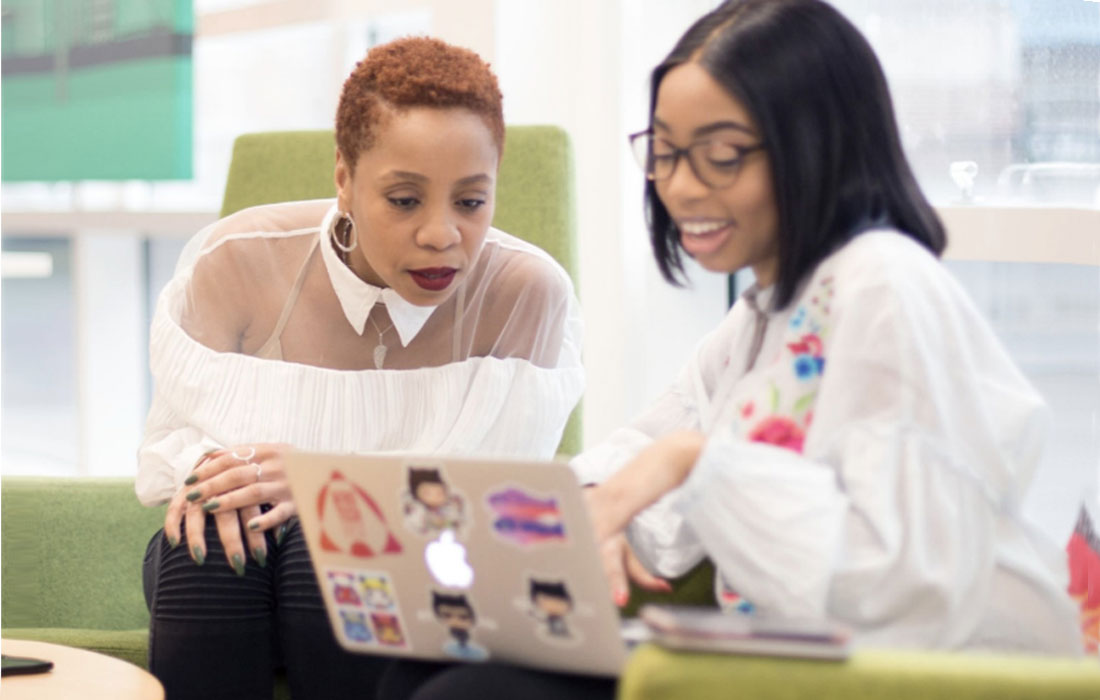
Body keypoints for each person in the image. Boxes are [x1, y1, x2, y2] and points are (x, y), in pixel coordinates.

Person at [378, 1, 1081, 698]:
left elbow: (899, 586)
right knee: (428, 656)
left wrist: (694, 464)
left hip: (923, 675)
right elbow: (642, 457)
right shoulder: (762, 316)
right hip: (787, 662)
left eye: (720, 156)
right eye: (664, 154)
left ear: (817, 146)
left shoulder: (884, 287)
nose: (681, 187)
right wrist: (600, 512)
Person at [137, 36, 584, 700]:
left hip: (436, 560)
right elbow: (176, 450)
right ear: (343, 178)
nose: (441, 235)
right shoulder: (237, 263)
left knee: (337, 546)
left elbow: (495, 506)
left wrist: (330, 487)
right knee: (209, 535)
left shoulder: (526, 294)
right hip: (237, 560)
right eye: (404, 200)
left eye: (471, 201)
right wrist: (224, 478)